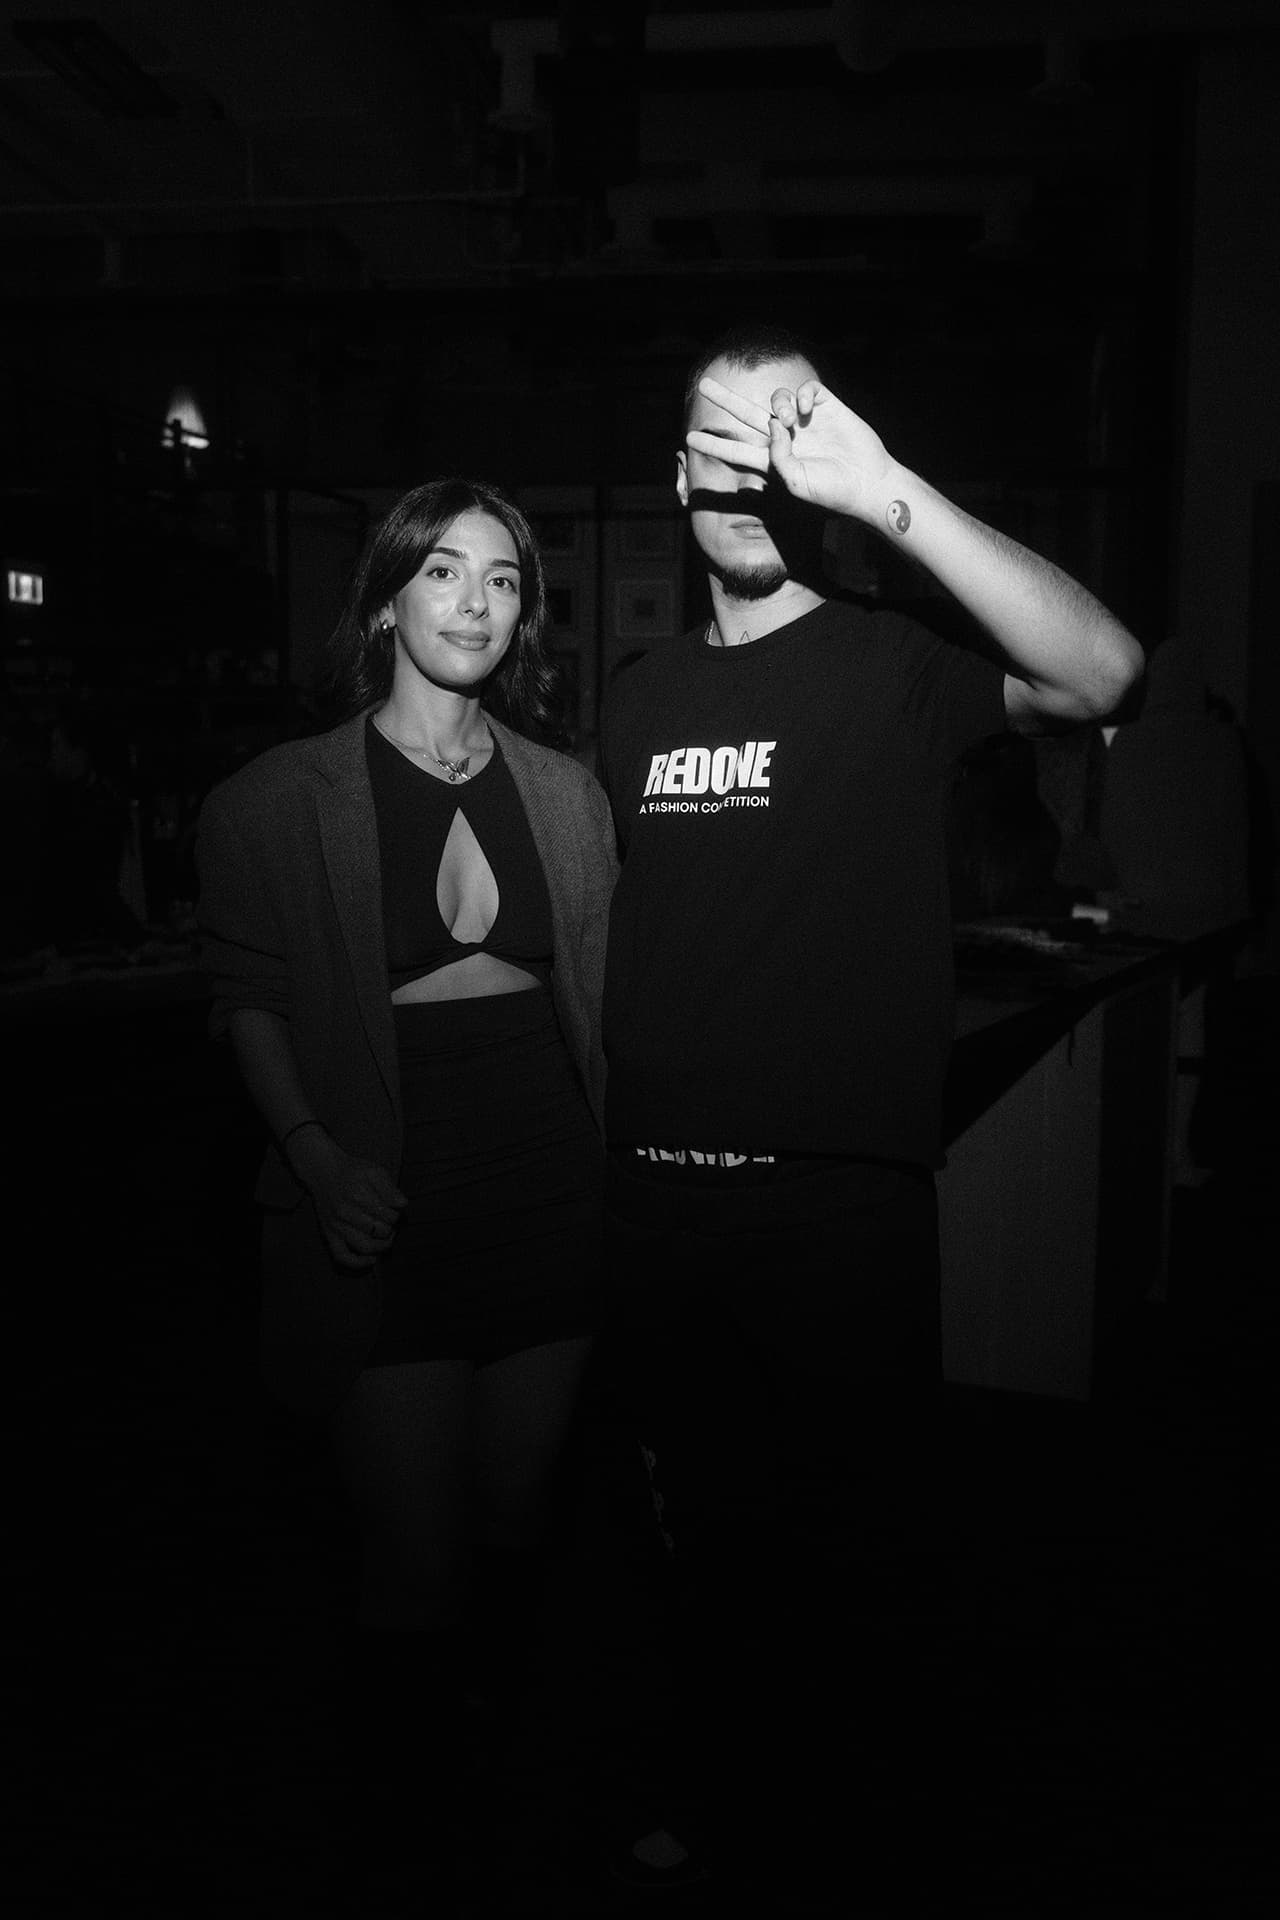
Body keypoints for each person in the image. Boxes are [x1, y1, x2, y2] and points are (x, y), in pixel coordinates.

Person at [595, 325, 1145, 1903]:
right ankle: (723, 1808)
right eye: (722, 440)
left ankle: (850, 1839)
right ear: (677, 478)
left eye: (787, 435)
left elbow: (1103, 673)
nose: (751, 468)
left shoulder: (896, 660)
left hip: (835, 1209)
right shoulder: (635, 698)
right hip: (655, 1204)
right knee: (696, 1548)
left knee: (858, 1557)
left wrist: (887, 488)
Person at [196, 477, 617, 1912]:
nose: (476, 603)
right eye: (444, 572)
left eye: (503, 579)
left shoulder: (566, 793)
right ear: (386, 598)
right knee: (414, 1553)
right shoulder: (276, 797)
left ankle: (507, 1792)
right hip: (388, 1197)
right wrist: (318, 1159)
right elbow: (250, 998)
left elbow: (608, 1004)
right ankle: (408, 1837)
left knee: (516, 1514)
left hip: (549, 1190)